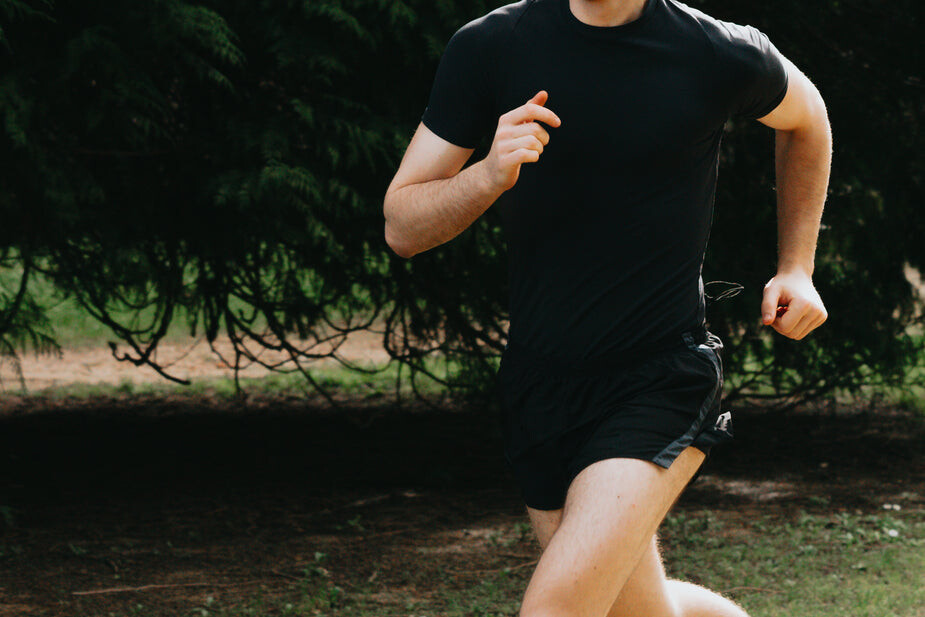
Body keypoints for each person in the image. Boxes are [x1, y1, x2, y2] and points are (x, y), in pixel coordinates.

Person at [383, 0, 831, 614]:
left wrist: (797, 267)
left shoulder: (716, 51)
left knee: (556, 609)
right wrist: (488, 174)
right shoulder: (491, 46)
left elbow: (808, 119)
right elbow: (402, 226)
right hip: (539, 387)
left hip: (660, 377)